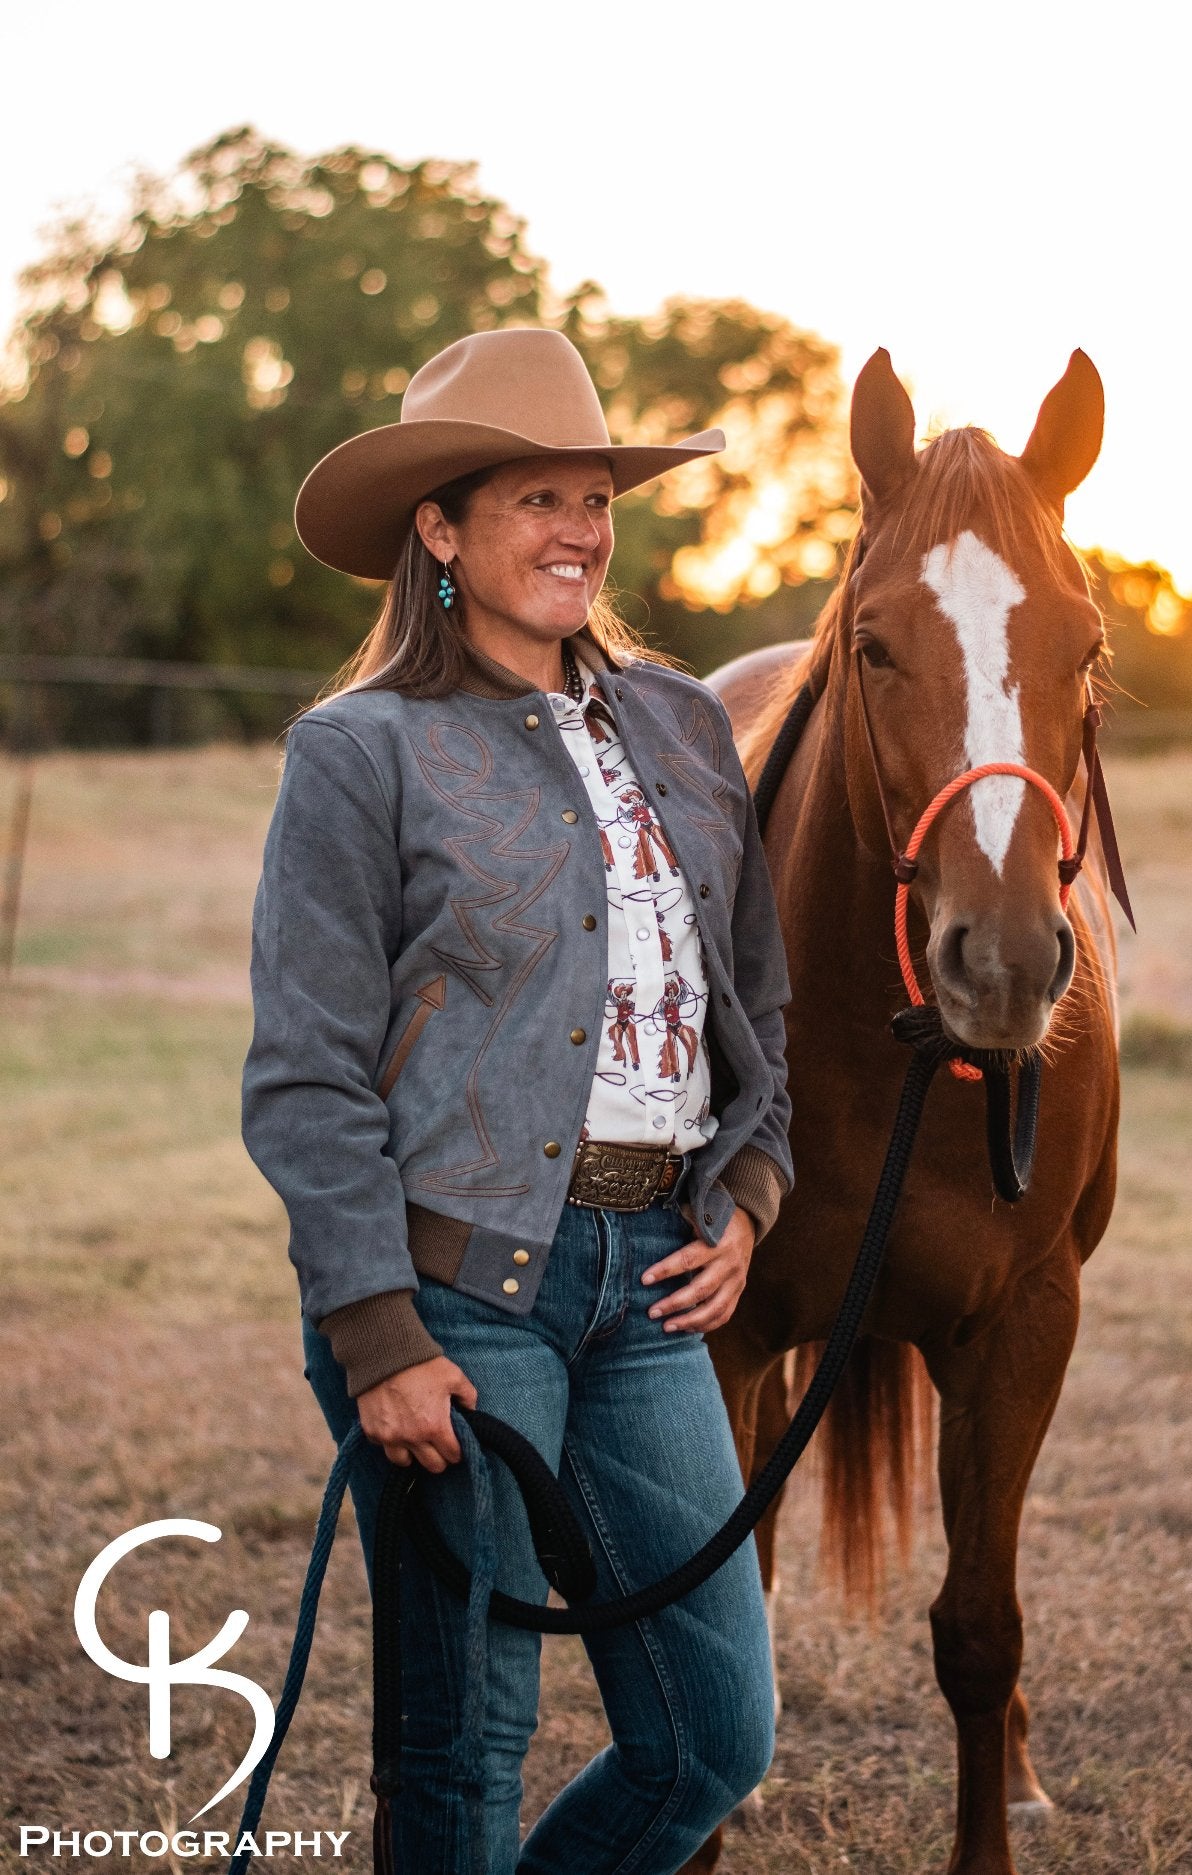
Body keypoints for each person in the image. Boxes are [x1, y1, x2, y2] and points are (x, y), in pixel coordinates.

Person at [241, 327, 792, 1875]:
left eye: (595, 499)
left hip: (651, 1290)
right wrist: (376, 1337)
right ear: (440, 528)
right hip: (452, 1298)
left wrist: (746, 1195)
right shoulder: (360, 755)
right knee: (463, 1751)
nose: (578, 531)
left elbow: (754, 1007)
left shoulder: (682, 726)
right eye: (535, 497)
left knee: (710, 1738)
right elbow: (304, 1074)